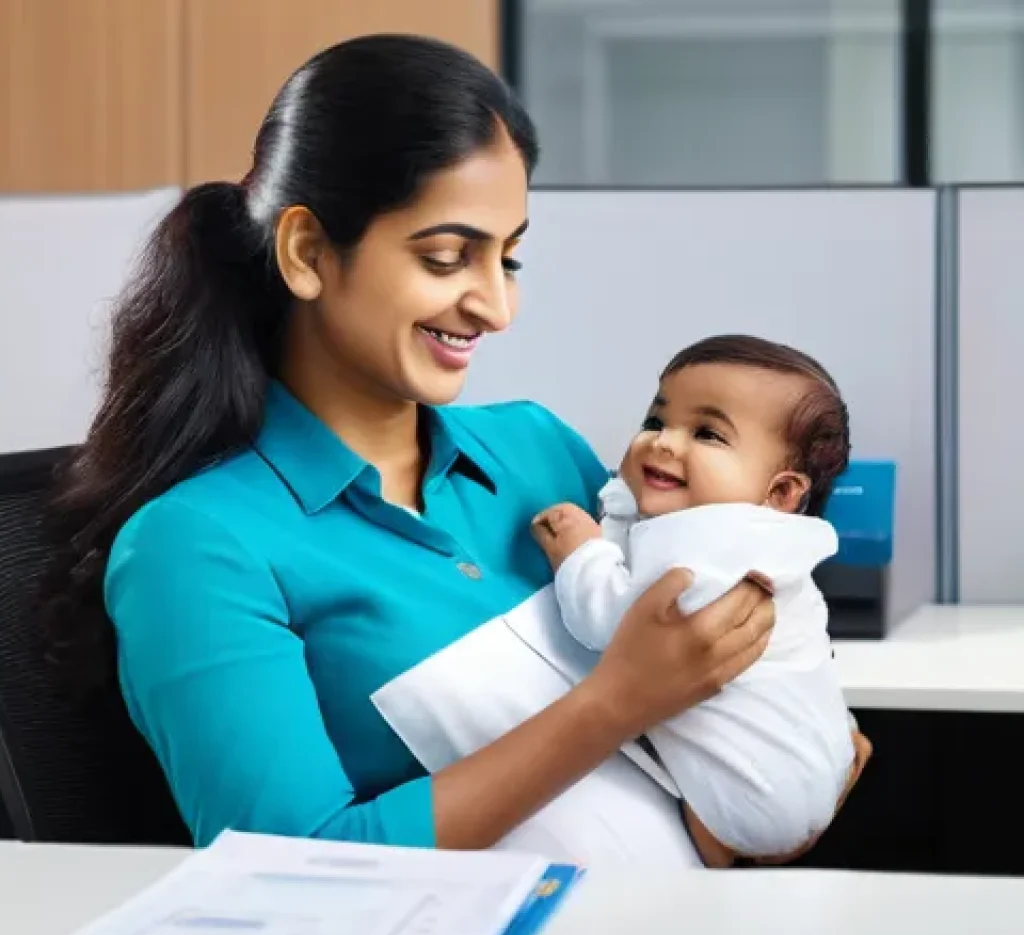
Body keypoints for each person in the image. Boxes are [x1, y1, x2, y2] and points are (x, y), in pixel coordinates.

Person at [43, 34, 870, 863]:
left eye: (508, 258)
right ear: (306, 253)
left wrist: (771, 791)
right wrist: (617, 701)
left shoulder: (538, 449)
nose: (495, 306)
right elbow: (286, 865)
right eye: (446, 257)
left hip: (682, 928)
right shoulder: (199, 545)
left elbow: (700, 693)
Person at [532, 335, 858, 867]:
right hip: (822, 752)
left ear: (780, 493)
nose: (662, 442)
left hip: (760, 792)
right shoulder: (761, 536)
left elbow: (613, 626)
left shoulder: (707, 541)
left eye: (707, 433)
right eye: (658, 422)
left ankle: (724, 832)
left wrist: (578, 553)